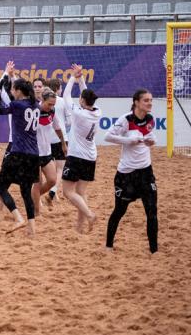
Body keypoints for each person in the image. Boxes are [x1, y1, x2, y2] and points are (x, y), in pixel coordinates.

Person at [103, 89, 159, 254]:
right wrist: (128, 140)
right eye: (146, 100)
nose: (150, 103)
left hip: (146, 172)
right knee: (119, 211)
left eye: (151, 100)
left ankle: (154, 251)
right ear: (136, 102)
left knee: (152, 211)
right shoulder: (126, 119)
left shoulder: (150, 119)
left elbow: (151, 136)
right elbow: (108, 136)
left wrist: (152, 141)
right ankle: (108, 246)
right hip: (126, 175)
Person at [0, 61, 40, 236]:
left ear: (19, 91)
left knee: (0, 188)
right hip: (33, 155)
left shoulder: (17, 105)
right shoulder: (35, 104)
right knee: (26, 191)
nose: (12, 91)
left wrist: (3, 79)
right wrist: (11, 75)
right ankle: (32, 228)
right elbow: (16, 96)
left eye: (14, 89)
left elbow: (0, 108)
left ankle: (18, 218)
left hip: (18, 152)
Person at [61, 65, 101, 234]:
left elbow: (66, 95)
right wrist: (81, 78)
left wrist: (72, 77)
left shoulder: (79, 113)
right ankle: (79, 227)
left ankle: (90, 215)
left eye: (81, 98)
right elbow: (85, 93)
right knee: (80, 192)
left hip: (77, 156)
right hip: (90, 157)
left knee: (67, 192)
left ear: (83, 101)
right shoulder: (97, 111)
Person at [33, 90, 66, 214]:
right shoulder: (34, 111)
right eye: (49, 104)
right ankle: (36, 211)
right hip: (34, 153)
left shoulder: (52, 111)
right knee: (38, 183)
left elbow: (57, 128)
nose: (51, 106)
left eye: (53, 104)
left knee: (52, 180)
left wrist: (63, 143)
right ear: (42, 100)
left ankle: (32, 196)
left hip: (47, 152)